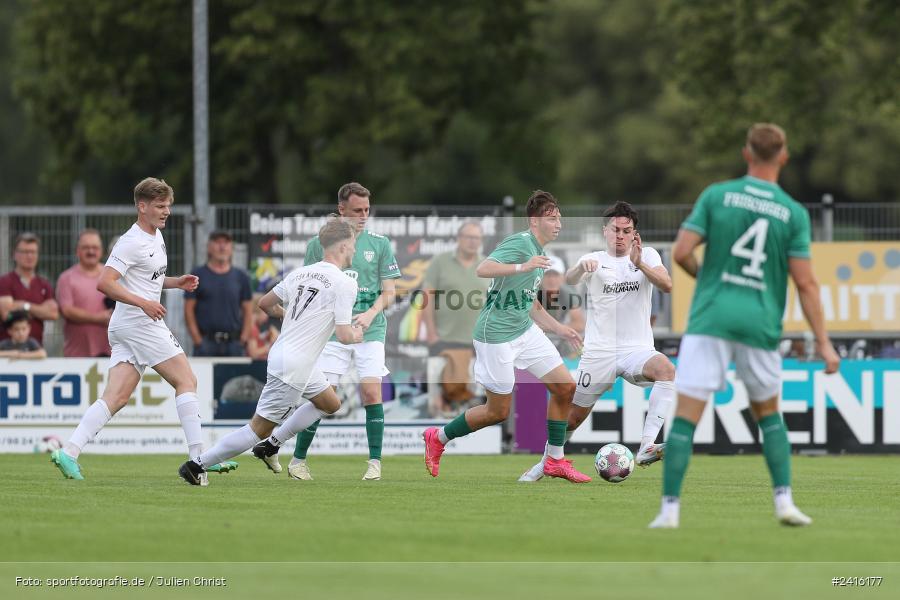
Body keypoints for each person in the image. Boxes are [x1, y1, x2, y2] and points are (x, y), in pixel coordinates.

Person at [648, 123, 840, 529]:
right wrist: (824, 344)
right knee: (769, 415)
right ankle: (784, 503)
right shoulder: (793, 212)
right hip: (758, 322)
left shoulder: (717, 195)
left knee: (685, 418)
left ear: (746, 154)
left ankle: (669, 511)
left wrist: (708, 279)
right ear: (783, 158)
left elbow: (681, 252)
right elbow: (805, 283)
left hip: (711, 317)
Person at [50, 178, 234, 483]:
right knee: (186, 380)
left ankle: (68, 452)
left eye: (168, 206)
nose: (166, 212)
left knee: (116, 397)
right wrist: (145, 304)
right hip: (138, 323)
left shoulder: (156, 236)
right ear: (142, 206)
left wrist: (175, 282)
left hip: (126, 324)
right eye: (160, 206)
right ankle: (199, 458)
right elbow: (105, 283)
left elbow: (145, 279)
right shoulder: (131, 240)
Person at [422, 190, 592, 483]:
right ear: (534, 221)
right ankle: (437, 437)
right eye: (552, 218)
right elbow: (483, 268)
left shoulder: (541, 252)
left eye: (560, 218)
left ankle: (554, 460)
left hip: (525, 330)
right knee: (497, 411)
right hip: (496, 335)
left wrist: (559, 328)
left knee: (565, 388)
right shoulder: (520, 243)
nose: (559, 223)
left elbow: (531, 303)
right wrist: (521, 266)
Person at [178, 218, 363, 484]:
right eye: (353, 245)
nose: (354, 250)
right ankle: (197, 465)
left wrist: (288, 316)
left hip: (290, 357)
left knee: (330, 403)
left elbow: (265, 304)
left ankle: (272, 446)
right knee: (257, 428)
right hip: (294, 366)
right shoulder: (345, 283)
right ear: (344, 245)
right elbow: (344, 335)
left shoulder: (301, 273)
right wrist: (356, 335)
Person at [519, 201, 675, 482]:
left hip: (636, 350)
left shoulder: (647, 255)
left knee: (666, 370)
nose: (620, 235)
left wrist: (639, 264)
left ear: (634, 233)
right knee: (573, 419)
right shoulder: (594, 259)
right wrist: (581, 268)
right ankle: (546, 463)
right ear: (605, 231)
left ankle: (646, 447)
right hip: (599, 352)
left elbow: (666, 284)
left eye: (627, 231)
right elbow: (569, 277)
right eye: (615, 230)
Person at [286, 182, 400, 482]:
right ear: (341, 210)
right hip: (333, 332)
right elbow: (310, 286)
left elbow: (390, 292)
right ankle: (298, 461)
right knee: (324, 397)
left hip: (370, 329)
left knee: (372, 391)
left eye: (367, 210)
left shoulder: (380, 244)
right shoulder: (318, 244)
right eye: (356, 211)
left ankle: (375, 463)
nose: (363, 216)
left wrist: (371, 312)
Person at [422, 222, 486, 414]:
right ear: (459, 238)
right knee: (437, 402)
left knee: (473, 398)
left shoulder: (487, 266)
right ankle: (433, 438)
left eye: (477, 238)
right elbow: (427, 298)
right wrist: (432, 333)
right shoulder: (439, 262)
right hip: (443, 341)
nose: (473, 242)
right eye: (469, 237)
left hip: (477, 343)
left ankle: (473, 440)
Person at [184, 230, 253, 357]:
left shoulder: (241, 277)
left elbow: (248, 310)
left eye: (226, 243)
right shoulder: (197, 275)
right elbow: (188, 310)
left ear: (231, 248)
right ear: (209, 248)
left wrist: (243, 339)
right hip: (206, 343)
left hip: (234, 345)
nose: (222, 247)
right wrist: (198, 340)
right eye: (217, 242)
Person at [56, 229, 113, 357]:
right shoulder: (66, 278)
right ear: (77, 251)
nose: (91, 251)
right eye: (86, 247)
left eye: (95, 247)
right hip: (76, 355)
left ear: (101, 250)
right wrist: (99, 318)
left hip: (111, 353)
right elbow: (67, 311)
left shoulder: (112, 275)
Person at [0, 232, 59, 346]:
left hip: (35, 350)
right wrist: (39, 310)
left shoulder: (44, 284)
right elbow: (6, 314)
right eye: (25, 252)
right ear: (14, 254)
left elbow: (53, 313)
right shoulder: (5, 281)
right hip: (7, 350)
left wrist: (24, 305)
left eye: (33, 252)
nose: (29, 256)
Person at [537, 255, 585, 359]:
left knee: (578, 344)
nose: (552, 280)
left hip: (556, 336)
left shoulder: (568, 293)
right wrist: (559, 328)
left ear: (563, 277)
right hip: (534, 339)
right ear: (540, 277)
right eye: (548, 275)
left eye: (556, 275)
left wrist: (552, 328)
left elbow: (579, 324)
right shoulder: (532, 291)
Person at [245, 292, 280, 361]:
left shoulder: (253, 327)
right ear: (260, 310)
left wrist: (266, 337)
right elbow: (253, 353)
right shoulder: (253, 328)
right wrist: (271, 344)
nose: (267, 317)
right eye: (267, 312)